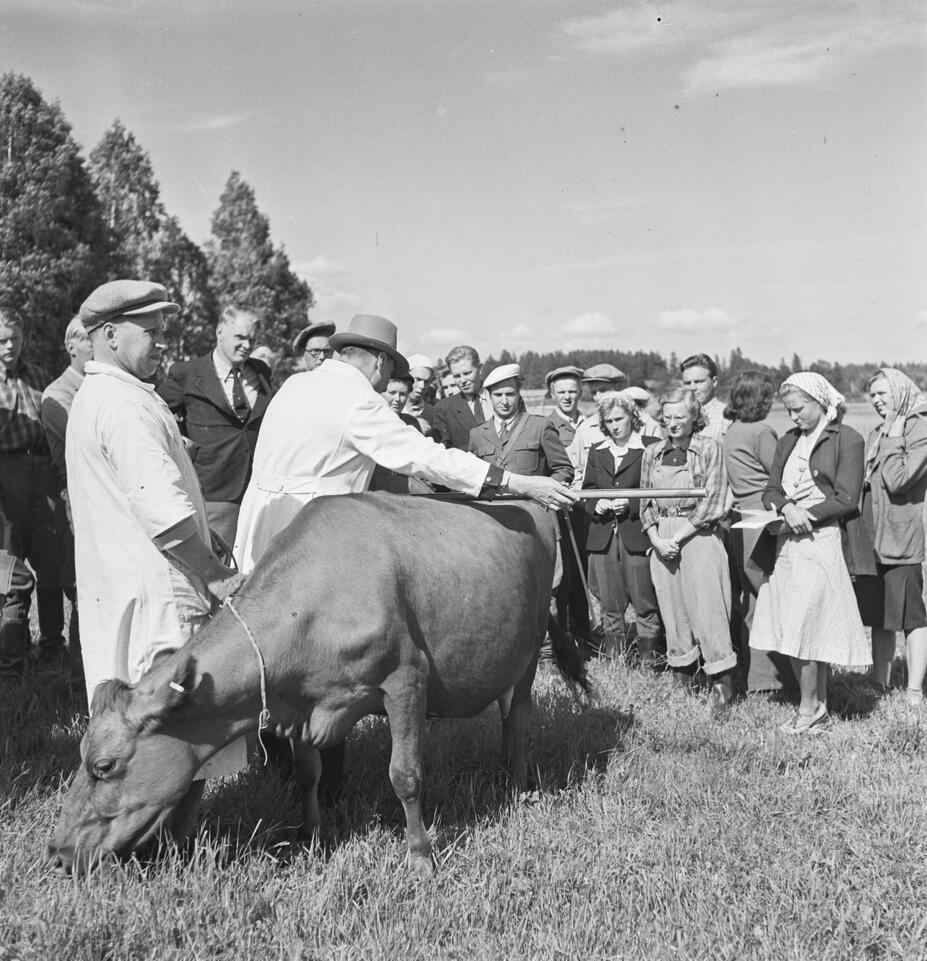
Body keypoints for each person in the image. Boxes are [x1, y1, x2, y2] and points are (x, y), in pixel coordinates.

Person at [67, 280, 245, 779]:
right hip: (157, 591)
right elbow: (164, 517)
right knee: (168, 732)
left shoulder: (105, 393)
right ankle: (166, 847)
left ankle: (149, 844)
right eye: (151, 331)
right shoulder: (123, 405)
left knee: (134, 725)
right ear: (110, 335)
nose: (164, 342)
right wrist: (215, 576)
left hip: (126, 586)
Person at [234, 316, 575, 575]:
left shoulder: (296, 383)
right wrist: (515, 481)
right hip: (308, 535)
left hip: (256, 525)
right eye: (391, 369)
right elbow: (426, 457)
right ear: (379, 360)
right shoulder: (359, 399)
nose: (387, 381)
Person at [750, 372, 870, 734]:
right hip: (787, 544)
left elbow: (848, 498)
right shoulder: (788, 441)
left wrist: (807, 516)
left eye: (799, 409)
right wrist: (786, 507)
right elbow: (769, 490)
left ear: (821, 403)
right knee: (794, 623)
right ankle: (815, 704)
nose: (793, 418)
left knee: (807, 622)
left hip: (823, 542)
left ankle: (810, 707)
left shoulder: (848, 439)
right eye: (788, 411)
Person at [640, 387, 736, 715]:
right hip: (662, 537)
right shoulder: (653, 453)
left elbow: (715, 501)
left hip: (697, 534)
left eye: (679, 416)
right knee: (673, 610)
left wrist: (679, 537)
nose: (672, 423)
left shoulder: (710, 448)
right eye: (666, 418)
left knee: (708, 609)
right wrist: (655, 538)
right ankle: (681, 680)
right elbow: (644, 501)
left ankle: (722, 685)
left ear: (694, 416)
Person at [157, 307, 275, 546]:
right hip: (211, 495)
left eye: (252, 339)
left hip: (257, 492)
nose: (247, 345)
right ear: (220, 332)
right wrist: (181, 444)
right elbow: (154, 414)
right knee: (215, 570)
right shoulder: (187, 374)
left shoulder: (261, 372)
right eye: (240, 337)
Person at [0, 306, 72, 678]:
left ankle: (51, 647)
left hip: (42, 470)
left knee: (50, 567)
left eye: (14, 338)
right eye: (2, 340)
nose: (9, 346)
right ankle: (11, 659)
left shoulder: (40, 377)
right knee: (9, 569)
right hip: (6, 473)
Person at [853, 369, 927, 705]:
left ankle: (913, 690)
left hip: (901, 540)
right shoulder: (876, 432)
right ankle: (879, 682)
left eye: (884, 393)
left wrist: (895, 438)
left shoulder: (919, 429)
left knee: (911, 618)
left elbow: (899, 481)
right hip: (873, 538)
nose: (877, 401)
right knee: (880, 616)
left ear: (901, 391)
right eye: (873, 395)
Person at [721, 371, 791, 693]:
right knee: (773, 598)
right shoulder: (762, 432)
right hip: (763, 514)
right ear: (760, 400)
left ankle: (760, 679)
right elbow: (779, 475)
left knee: (753, 602)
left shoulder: (733, 430)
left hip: (741, 517)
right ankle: (785, 678)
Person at [582, 391, 662, 665]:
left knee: (644, 600)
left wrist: (630, 502)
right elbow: (587, 491)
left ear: (632, 417)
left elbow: (658, 488)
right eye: (609, 421)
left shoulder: (650, 446)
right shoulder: (598, 450)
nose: (615, 426)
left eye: (620, 419)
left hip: (637, 533)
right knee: (609, 603)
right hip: (603, 535)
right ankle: (616, 660)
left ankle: (649, 660)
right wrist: (597, 503)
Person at [40, 315, 92, 687]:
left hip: (105, 499)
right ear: (71, 346)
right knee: (82, 589)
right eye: (88, 339)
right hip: (75, 497)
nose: (96, 346)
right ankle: (80, 681)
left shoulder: (101, 385)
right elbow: (88, 439)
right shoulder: (57, 395)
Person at [544, 365, 592, 646]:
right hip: (562, 508)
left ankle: (585, 634)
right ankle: (563, 636)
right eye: (561, 392)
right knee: (563, 577)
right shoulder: (547, 424)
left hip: (588, 509)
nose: (567, 397)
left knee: (584, 571)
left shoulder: (590, 423)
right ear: (552, 394)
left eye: (573, 391)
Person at [432, 345, 489, 450]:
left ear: (480, 369)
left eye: (467, 373)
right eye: (457, 376)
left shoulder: (502, 397)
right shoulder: (444, 408)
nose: (462, 381)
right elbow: (444, 450)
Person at [680, 354, 731, 440]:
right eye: (687, 383)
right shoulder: (676, 416)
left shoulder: (726, 417)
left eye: (699, 382)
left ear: (714, 382)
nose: (692, 388)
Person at [403, 353, 438, 437]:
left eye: (426, 382)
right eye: (418, 379)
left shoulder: (434, 413)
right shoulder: (389, 409)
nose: (422, 386)